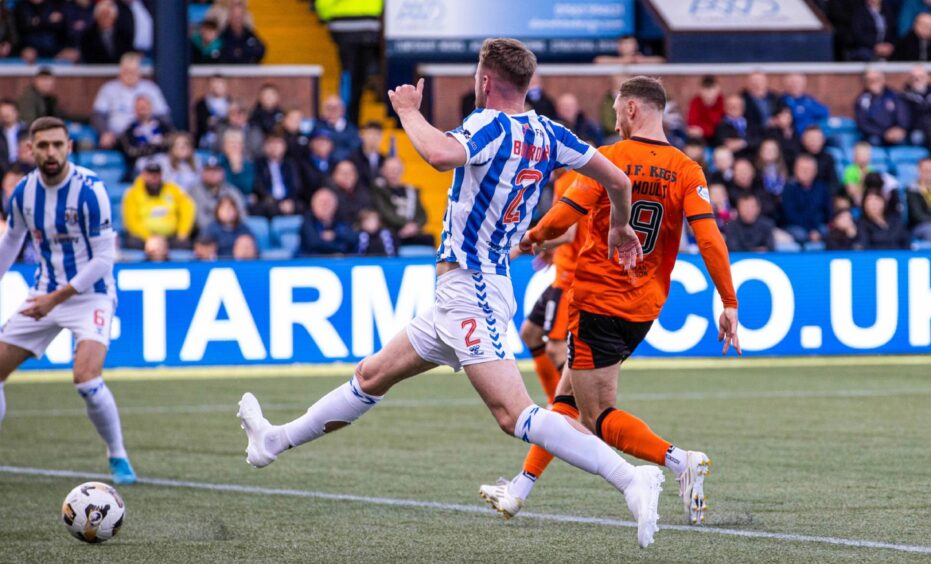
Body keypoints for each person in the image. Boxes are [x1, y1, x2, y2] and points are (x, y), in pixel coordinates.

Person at [237, 38, 665, 549]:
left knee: (514, 415)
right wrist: (619, 224)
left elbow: (439, 154)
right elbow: (617, 177)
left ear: (485, 80)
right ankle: (273, 440)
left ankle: (630, 479)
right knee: (371, 375)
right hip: (465, 289)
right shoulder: (548, 132)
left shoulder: (487, 123)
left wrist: (407, 112)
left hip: (474, 284)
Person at [479, 75, 739, 530]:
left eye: (618, 108)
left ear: (634, 110)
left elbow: (566, 213)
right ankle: (518, 491)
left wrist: (530, 239)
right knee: (565, 402)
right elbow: (710, 238)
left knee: (597, 416)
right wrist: (729, 301)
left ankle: (679, 461)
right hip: (642, 307)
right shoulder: (687, 170)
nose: (615, 118)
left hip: (598, 298)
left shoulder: (610, 159)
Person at [0, 117, 136, 485]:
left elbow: (106, 259)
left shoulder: (90, 190)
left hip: (90, 295)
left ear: (69, 147)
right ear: (29, 149)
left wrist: (56, 299)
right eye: (43, 145)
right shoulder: (24, 193)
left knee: (86, 379)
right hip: (44, 292)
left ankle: (118, 455)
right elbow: (12, 241)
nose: (51, 152)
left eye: (58, 145)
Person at [514, 168, 585, 406]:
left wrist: (525, 243)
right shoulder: (569, 178)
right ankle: (555, 401)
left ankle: (574, 409)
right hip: (564, 272)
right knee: (530, 332)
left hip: (571, 278)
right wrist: (551, 249)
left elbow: (568, 233)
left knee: (557, 349)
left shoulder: (568, 179)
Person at [315, 0, 382, 125]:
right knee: (355, 77)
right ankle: (346, 119)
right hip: (367, 25)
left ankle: (348, 120)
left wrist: (325, 17)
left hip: (346, 25)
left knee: (353, 76)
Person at [92, 53, 170, 150]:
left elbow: (164, 116)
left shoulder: (151, 88)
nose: (130, 75)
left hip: (148, 135)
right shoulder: (109, 89)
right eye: (127, 71)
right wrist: (105, 132)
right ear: (120, 71)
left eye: (133, 71)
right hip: (118, 138)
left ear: (139, 72)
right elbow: (98, 115)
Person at [122, 161, 196, 255]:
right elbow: (131, 222)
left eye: (157, 174)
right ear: (143, 175)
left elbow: (187, 208)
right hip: (144, 238)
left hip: (170, 236)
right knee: (132, 242)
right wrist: (149, 237)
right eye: (150, 174)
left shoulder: (173, 189)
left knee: (185, 243)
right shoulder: (132, 193)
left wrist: (183, 231)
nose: (154, 178)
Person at [370, 157, 434, 247]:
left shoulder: (412, 191)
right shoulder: (378, 190)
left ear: (402, 171)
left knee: (430, 238)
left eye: (396, 170)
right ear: (383, 171)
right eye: (390, 170)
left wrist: (414, 227)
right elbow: (386, 213)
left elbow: (422, 216)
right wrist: (406, 225)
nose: (394, 173)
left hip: (412, 232)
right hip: (392, 233)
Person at [251, 132, 304, 218]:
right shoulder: (258, 164)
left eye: (278, 143)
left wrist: (289, 201)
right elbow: (258, 186)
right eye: (271, 143)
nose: (274, 147)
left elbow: (296, 186)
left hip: (288, 200)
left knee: (301, 207)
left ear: (284, 146)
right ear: (265, 146)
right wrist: (278, 203)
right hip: (269, 202)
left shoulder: (290, 164)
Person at [781, 154, 831, 245]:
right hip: (796, 226)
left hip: (818, 227)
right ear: (795, 170)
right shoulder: (789, 189)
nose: (805, 172)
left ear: (815, 171)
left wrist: (816, 230)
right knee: (800, 234)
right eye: (802, 169)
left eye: (809, 170)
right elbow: (790, 215)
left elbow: (827, 212)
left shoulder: (822, 188)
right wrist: (810, 231)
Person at [189, 156, 247, 233]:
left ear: (223, 173)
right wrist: (221, 230)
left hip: (232, 232)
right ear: (202, 173)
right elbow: (200, 221)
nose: (212, 174)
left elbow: (242, 215)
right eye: (209, 170)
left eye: (216, 170)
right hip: (207, 234)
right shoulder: (195, 191)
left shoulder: (231, 190)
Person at [117, 95, 172, 174]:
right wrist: (153, 147)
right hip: (140, 163)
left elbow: (171, 142)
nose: (143, 110)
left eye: (145, 106)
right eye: (140, 108)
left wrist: (153, 147)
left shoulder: (163, 126)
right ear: (135, 110)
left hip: (163, 159)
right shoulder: (128, 131)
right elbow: (130, 151)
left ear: (151, 107)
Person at [854, 69, 910, 146]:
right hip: (876, 135)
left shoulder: (893, 95)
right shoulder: (862, 100)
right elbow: (863, 124)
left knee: (906, 140)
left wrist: (900, 129)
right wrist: (883, 133)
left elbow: (903, 115)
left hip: (895, 133)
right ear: (865, 82)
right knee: (874, 141)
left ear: (883, 80)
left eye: (877, 79)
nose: (873, 82)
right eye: (870, 80)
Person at [298, 187, 355, 256]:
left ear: (335, 205)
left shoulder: (341, 219)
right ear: (313, 206)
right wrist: (340, 247)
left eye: (328, 203)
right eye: (321, 203)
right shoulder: (307, 221)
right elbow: (314, 243)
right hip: (311, 262)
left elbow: (353, 238)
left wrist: (335, 235)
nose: (325, 206)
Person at [79, 0, 133, 64]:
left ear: (114, 17)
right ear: (96, 17)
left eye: (108, 15)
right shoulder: (87, 36)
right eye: (102, 15)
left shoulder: (124, 34)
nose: (105, 18)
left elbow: (127, 53)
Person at [317, 95, 361, 161]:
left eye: (335, 108)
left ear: (342, 110)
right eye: (328, 108)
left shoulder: (351, 129)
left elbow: (355, 149)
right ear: (323, 111)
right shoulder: (317, 127)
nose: (332, 111)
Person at [194, 75, 231, 148]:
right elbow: (201, 123)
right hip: (206, 142)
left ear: (225, 86)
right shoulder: (202, 104)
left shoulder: (231, 103)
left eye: (220, 84)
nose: (217, 87)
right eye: (214, 84)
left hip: (225, 140)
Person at [799, 125, 840, 192]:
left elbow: (834, 183)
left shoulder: (828, 159)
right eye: (811, 139)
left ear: (823, 140)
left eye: (817, 139)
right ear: (803, 140)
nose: (814, 142)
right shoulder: (799, 158)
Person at [330, 159, 372, 224]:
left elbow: (368, 211)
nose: (347, 176)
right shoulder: (329, 193)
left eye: (351, 172)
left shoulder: (364, 191)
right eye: (343, 173)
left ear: (356, 175)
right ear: (334, 176)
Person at [686, 75, 724, 143]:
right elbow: (692, 123)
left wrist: (703, 130)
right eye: (706, 88)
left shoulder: (722, 102)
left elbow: (718, 123)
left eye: (712, 88)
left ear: (718, 89)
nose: (709, 92)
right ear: (700, 89)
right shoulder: (695, 102)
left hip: (718, 139)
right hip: (700, 139)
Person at [349, 120, 386, 188]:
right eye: (370, 133)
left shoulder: (385, 160)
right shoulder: (352, 158)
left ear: (382, 137)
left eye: (377, 134)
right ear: (362, 135)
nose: (373, 137)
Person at [219, 129, 256, 196]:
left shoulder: (248, 165)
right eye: (231, 143)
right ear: (224, 146)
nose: (234, 146)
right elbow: (223, 186)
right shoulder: (218, 163)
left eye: (237, 143)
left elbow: (247, 189)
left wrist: (237, 169)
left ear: (242, 146)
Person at [902, 65, 931, 147]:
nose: (917, 79)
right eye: (914, 77)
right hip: (916, 129)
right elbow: (906, 119)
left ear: (927, 78)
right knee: (916, 137)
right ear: (910, 80)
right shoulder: (904, 97)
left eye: (921, 77)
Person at [906, 157, 931, 241]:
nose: (928, 174)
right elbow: (917, 215)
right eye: (926, 170)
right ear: (919, 171)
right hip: (919, 226)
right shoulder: (912, 189)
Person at [593, 35, 665, 64]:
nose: (627, 47)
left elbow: (661, 60)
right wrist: (623, 60)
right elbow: (598, 60)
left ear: (636, 46)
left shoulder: (641, 60)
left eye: (630, 44)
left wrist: (643, 60)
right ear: (619, 47)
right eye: (625, 44)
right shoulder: (615, 61)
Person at [0, 99, 27, 171]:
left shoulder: (26, 131)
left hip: (25, 168)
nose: (5, 115)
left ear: (17, 113)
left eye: (9, 111)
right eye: (2, 112)